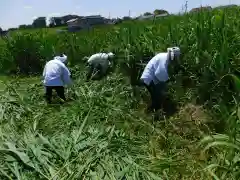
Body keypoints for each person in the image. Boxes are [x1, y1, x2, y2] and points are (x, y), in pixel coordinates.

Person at [139, 47, 181, 112]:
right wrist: (168, 82)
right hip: (149, 78)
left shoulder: (164, 56)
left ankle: (153, 112)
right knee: (158, 95)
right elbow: (159, 74)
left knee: (156, 96)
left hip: (150, 78)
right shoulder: (164, 59)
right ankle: (156, 112)